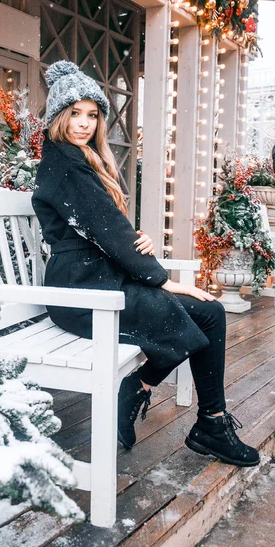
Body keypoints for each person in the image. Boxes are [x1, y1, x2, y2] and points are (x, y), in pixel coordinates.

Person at [32, 60, 259, 468]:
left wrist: (143, 245)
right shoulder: (64, 164)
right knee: (196, 317)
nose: (84, 123)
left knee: (208, 312)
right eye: (74, 114)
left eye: (92, 114)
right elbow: (107, 230)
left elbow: (109, 230)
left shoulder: (82, 159)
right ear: (58, 117)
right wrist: (162, 280)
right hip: (81, 293)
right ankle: (159, 398)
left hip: (103, 281)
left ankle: (203, 418)